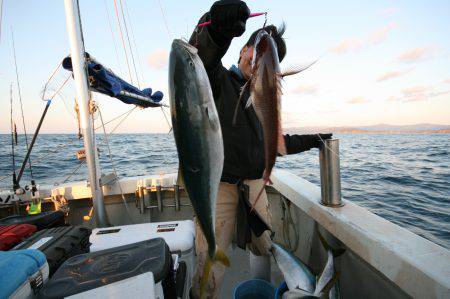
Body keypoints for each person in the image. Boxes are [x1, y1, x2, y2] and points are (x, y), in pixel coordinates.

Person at [188, 1, 332, 297]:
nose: (255, 62)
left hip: (255, 185)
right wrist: (215, 30)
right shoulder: (217, 82)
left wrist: (314, 139)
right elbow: (202, 60)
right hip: (220, 188)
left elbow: (276, 143)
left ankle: (260, 289)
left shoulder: (263, 96)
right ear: (242, 49)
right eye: (254, 50)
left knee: (263, 246)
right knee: (209, 264)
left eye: (269, 60)